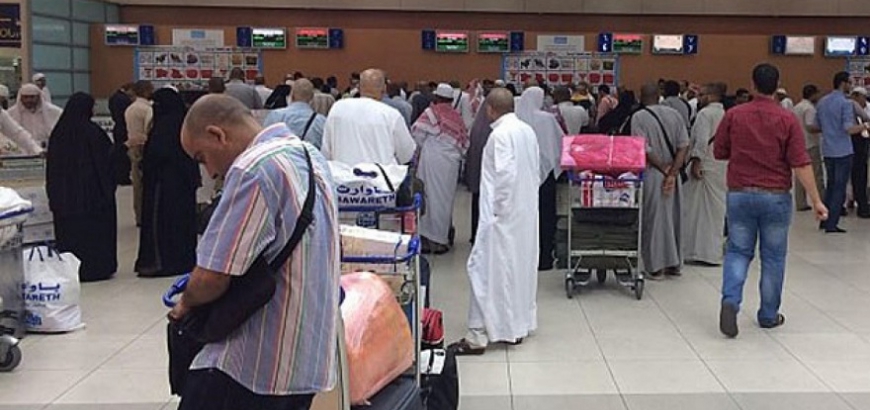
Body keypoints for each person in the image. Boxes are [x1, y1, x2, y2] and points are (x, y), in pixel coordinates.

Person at [169, 94, 339, 410]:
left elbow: (212, 276)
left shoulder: (253, 168)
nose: (209, 172)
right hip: (307, 360)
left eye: (201, 158)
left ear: (217, 135)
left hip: (254, 365)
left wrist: (185, 303)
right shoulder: (310, 155)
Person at [714, 64, 828, 338]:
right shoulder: (787, 119)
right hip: (775, 196)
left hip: (740, 193)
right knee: (774, 257)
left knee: (738, 252)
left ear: (752, 85)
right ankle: (768, 315)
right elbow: (800, 163)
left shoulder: (734, 115)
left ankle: (731, 301)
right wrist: (816, 200)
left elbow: (719, 151)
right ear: (777, 86)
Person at [449, 88, 540, 355]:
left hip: (501, 219)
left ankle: (477, 335)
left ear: (489, 109)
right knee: (518, 271)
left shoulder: (499, 135)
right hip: (524, 215)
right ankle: (515, 328)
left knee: (484, 271)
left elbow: (505, 176)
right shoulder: (527, 131)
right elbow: (535, 171)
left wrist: (498, 213)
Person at [46, 92, 117, 283]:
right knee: (93, 235)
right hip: (92, 198)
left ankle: (71, 268)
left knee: (70, 234)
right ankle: (96, 268)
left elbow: (52, 168)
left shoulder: (59, 133)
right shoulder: (93, 132)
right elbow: (106, 162)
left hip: (65, 199)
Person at [134, 88, 199, 278]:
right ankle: (183, 259)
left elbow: (155, 156)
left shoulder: (163, 128)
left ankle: (161, 262)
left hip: (161, 187)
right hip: (183, 185)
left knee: (161, 225)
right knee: (182, 223)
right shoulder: (184, 126)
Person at [631, 83, 690, 280]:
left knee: (654, 219)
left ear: (641, 97)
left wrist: (663, 169)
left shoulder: (639, 117)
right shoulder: (675, 115)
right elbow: (683, 145)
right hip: (674, 174)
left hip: (653, 173)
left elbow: (643, 148)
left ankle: (656, 267)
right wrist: (673, 172)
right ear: (659, 95)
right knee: (674, 217)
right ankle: (674, 264)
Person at [411, 83, 469, 254]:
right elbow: (464, 144)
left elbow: (417, 135)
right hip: (450, 166)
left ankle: (427, 240)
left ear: (436, 98)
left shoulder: (431, 113)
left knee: (428, 198)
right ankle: (440, 240)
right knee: (445, 200)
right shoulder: (457, 118)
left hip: (431, 162)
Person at [321, 68, 416, 165]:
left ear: (358, 87)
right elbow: (406, 154)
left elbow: (326, 150)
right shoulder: (391, 115)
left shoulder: (337, 108)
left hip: (341, 173)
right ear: (384, 89)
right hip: (380, 173)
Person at [517, 87, 565, 270]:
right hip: (546, 177)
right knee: (546, 216)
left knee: (523, 217)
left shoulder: (517, 120)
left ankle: (523, 258)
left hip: (521, 176)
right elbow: (560, 143)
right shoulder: (547, 119)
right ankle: (544, 258)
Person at [815, 71, 870, 233]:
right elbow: (849, 129)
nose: (851, 86)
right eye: (849, 83)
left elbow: (815, 126)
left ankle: (824, 220)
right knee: (839, 188)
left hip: (827, 149)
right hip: (843, 150)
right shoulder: (845, 103)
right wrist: (865, 126)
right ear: (843, 83)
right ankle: (832, 223)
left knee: (830, 186)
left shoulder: (822, 102)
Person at [682, 83, 728, 266]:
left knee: (694, 210)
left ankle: (695, 250)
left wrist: (696, 161)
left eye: (701, 95)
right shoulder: (726, 114)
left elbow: (701, 140)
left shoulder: (705, 114)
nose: (699, 98)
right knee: (716, 211)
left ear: (710, 96)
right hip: (721, 166)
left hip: (704, 166)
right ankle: (712, 252)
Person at [263, 78, 326, 149]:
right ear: (312, 97)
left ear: (292, 94)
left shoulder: (275, 115)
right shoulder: (321, 121)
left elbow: (264, 142)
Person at [124, 80, 155, 227]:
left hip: (132, 146)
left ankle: (139, 216)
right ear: (146, 91)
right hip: (144, 147)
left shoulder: (130, 109)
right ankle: (147, 215)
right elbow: (149, 129)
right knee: (146, 184)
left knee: (137, 184)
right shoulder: (147, 109)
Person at [792, 85, 824, 212]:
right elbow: (810, 126)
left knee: (800, 175)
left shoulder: (797, 107)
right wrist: (824, 128)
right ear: (813, 94)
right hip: (810, 144)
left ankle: (800, 202)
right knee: (816, 174)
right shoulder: (809, 108)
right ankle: (821, 200)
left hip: (798, 145)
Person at [8, 83, 62, 149]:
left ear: (38, 97)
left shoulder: (55, 112)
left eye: (32, 97)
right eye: (25, 97)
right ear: (21, 98)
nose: (29, 100)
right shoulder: (10, 113)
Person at [849, 87, 870, 218]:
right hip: (855, 144)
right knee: (858, 175)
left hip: (861, 145)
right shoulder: (851, 105)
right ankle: (858, 202)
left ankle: (860, 201)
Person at [109, 83, 135, 185]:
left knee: (119, 152)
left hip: (117, 127)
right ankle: (124, 176)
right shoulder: (125, 100)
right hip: (124, 128)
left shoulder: (113, 97)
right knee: (124, 155)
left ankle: (119, 175)